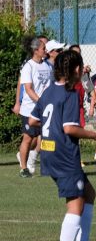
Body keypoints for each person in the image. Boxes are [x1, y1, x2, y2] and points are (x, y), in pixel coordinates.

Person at [28, 50, 96, 241]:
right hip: (64, 155)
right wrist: (95, 134)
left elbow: (34, 120)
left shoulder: (48, 91)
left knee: (89, 193)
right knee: (75, 204)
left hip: (49, 153)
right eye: (80, 67)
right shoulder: (71, 93)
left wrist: (49, 128)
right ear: (76, 70)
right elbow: (70, 128)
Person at [15, 37, 52, 178]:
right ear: (36, 51)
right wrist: (41, 102)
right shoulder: (28, 67)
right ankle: (23, 168)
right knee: (28, 139)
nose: (45, 50)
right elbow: (29, 89)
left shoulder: (47, 66)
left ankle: (47, 165)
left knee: (46, 137)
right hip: (30, 109)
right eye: (43, 48)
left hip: (45, 108)